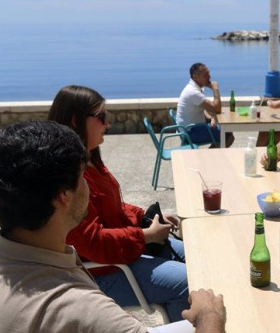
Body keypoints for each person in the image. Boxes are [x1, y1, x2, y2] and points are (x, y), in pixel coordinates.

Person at [0, 121, 226, 333]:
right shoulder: (82, 311)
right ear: (63, 196)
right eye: (82, 177)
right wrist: (209, 318)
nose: (89, 186)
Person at [48, 85, 189, 322]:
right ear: (75, 120)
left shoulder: (90, 159)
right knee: (186, 281)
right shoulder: (69, 177)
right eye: (101, 118)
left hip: (119, 255)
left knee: (197, 251)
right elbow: (92, 242)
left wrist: (148, 218)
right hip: (101, 272)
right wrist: (146, 236)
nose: (108, 124)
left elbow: (114, 207)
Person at [176, 62, 233, 147]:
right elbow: (217, 109)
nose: (209, 77)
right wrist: (215, 89)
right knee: (227, 135)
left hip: (189, 129)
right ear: (195, 76)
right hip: (190, 133)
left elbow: (201, 108)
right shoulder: (193, 92)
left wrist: (210, 118)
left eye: (209, 74)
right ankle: (208, 158)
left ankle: (208, 157)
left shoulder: (193, 88)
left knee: (224, 132)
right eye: (205, 75)